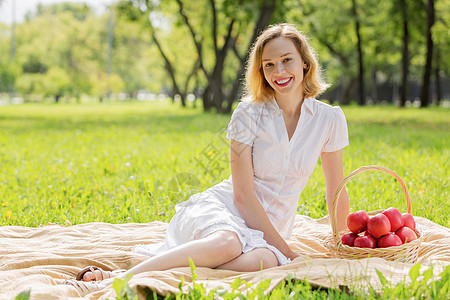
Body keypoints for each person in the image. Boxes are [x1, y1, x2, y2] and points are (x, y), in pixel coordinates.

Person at [65, 23, 350, 293]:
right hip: (224, 212)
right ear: (261, 71)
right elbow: (243, 197)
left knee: (262, 262)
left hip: (270, 233)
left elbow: (335, 189)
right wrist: (288, 252)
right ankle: (116, 279)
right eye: (269, 65)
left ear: (304, 62)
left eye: (287, 60)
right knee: (229, 244)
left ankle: (168, 265)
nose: (279, 71)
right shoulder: (247, 115)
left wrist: (344, 244)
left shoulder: (329, 119)